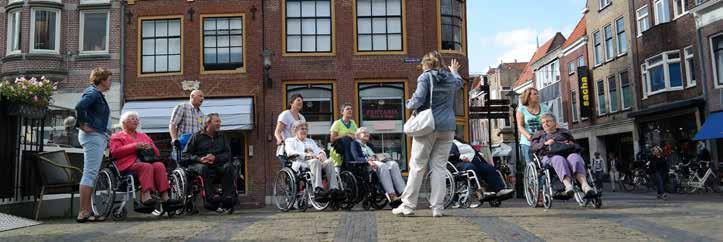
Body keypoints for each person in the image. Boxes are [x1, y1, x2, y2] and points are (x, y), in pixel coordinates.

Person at [392, 50, 463, 217]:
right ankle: (437, 207)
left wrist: (408, 103)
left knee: (417, 166)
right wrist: (454, 71)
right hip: (448, 127)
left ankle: (408, 205)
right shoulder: (451, 78)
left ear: (425, 64)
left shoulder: (425, 77)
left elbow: (418, 100)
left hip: (428, 126)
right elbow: (459, 83)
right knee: (439, 167)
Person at [110, 112, 179, 210]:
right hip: (127, 164)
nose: (135, 120)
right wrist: (134, 146)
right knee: (146, 166)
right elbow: (115, 152)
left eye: (136, 119)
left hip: (146, 162)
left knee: (159, 165)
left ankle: (165, 197)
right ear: (124, 122)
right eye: (132, 118)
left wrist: (149, 147)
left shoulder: (144, 136)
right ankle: (146, 197)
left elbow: (157, 153)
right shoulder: (117, 136)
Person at [74, 67, 112, 223]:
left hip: (96, 136)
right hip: (92, 136)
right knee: (89, 173)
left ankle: (87, 211)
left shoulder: (96, 94)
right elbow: (79, 106)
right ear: (102, 80)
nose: (111, 82)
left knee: (91, 173)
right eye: (109, 79)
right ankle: (83, 211)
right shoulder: (93, 93)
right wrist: (82, 124)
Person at [531, 114, 596, 198]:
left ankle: (585, 185)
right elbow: (533, 148)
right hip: (549, 156)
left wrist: (571, 143)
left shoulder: (564, 132)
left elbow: (576, 145)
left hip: (568, 153)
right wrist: (545, 143)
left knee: (575, 157)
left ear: (554, 122)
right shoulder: (539, 135)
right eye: (543, 122)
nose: (545, 124)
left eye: (548, 121)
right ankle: (568, 186)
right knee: (559, 159)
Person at [182, 113, 237, 210]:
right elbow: (185, 155)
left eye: (219, 121)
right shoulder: (196, 137)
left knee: (229, 167)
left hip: (217, 164)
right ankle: (210, 198)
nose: (219, 124)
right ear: (208, 123)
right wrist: (200, 159)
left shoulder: (222, 136)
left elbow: (228, 154)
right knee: (203, 168)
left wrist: (215, 158)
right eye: (217, 121)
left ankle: (227, 197)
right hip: (198, 165)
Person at [449, 139, 514, 207]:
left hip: (474, 161)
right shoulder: (448, 141)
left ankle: (499, 190)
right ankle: (480, 191)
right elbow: (451, 152)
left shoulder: (460, 141)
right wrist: (461, 157)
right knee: (471, 167)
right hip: (458, 163)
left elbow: (473, 150)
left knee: (489, 168)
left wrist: (479, 154)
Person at [350, 127, 405, 207]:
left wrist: (381, 157)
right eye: (364, 132)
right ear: (358, 135)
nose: (367, 134)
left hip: (377, 161)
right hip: (366, 165)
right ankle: (392, 195)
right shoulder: (354, 144)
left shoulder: (369, 145)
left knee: (393, 164)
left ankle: (403, 193)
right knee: (383, 166)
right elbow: (356, 158)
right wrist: (368, 160)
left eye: (367, 133)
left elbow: (375, 155)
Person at [284, 120, 339, 200]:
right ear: (295, 130)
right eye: (302, 129)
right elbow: (290, 152)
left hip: (316, 163)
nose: (305, 131)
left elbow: (318, 150)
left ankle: (334, 189)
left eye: (306, 129)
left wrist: (321, 154)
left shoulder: (310, 141)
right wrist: (307, 156)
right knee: (315, 161)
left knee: (329, 162)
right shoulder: (290, 141)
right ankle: (318, 190)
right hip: (301, 164)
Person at [516, 87, 549, 163]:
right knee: (530, 163)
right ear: (528, 96)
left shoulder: (544, 107)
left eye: (537, 94)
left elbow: (551, 121)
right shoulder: (522, 109)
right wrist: (529, 136)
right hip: (528, 142)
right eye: (534, 94)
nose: (537, 96)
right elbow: (520, 126)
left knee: (545, 161)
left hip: (542, 140)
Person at [169, 90, 205, 159]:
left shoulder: (201, 114)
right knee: (183, 165)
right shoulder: (182, 107)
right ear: (192, 96)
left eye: (203, 97)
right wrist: (174, 139)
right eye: (200, 96)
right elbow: (172, 124)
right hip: (183, 143)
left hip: (196, 145)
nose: (202, 98)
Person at [275, 94, 306, 166]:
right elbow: (277, 132)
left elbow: (304, 133)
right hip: (288, 148)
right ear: (291, 103)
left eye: (302, 101)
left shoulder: (302, 117)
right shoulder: (285, 115)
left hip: (298, 149)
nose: (301, 102)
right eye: (298, 100)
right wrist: (280, 140)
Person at [329, 104, 358, 169]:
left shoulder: (353, 122)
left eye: (351, 109)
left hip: (351, 148)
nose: (350, 110)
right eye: (347, 109)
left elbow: (357, 135)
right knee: (346, 139)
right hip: (339, 149)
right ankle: (348, 164)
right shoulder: (337, 123)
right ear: (342, 112)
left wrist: (354, 136)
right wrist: (346, 135)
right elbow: (332, 139)